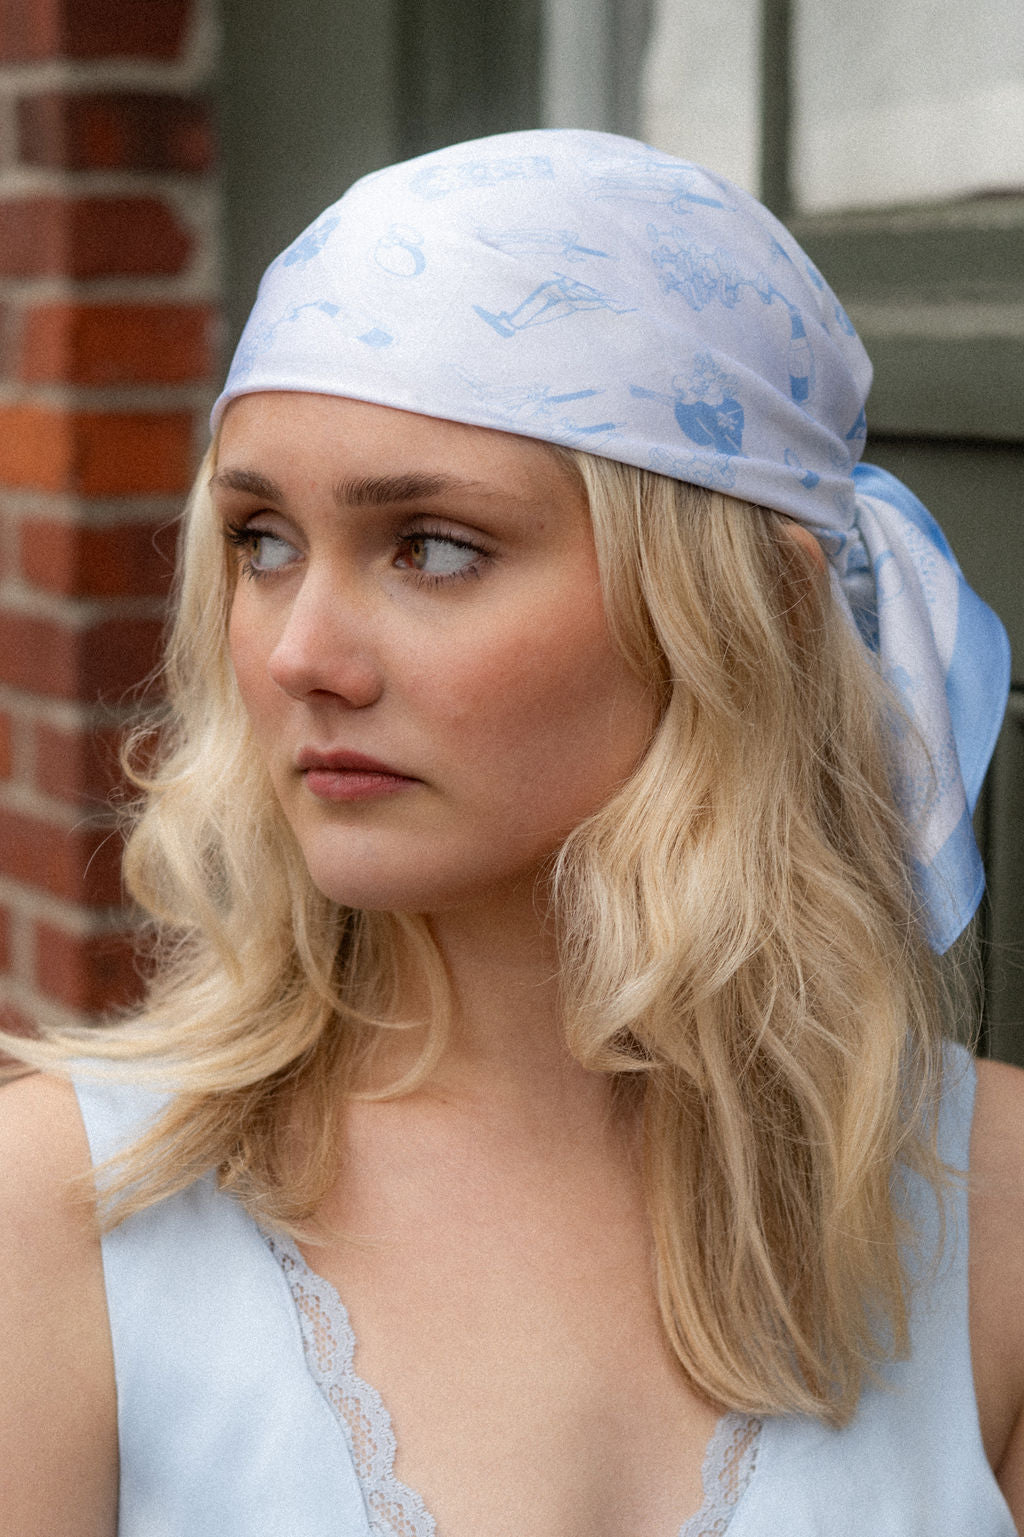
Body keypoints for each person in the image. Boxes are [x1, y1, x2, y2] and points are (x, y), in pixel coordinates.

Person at [1, 128, 1022, 1537]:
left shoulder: (996, 1217)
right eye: (262, 541)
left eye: (431, 545)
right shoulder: (69, 1216)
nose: (302, 652)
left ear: (759, 610)